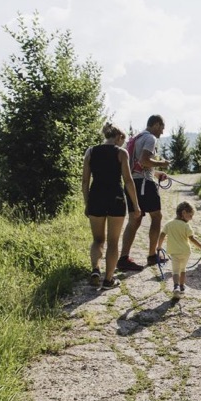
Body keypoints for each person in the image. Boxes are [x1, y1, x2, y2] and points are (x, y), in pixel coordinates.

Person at [81, 122, 142, 290]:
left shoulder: (91, 151)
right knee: (113, 242)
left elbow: (85, 181)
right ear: (118, 137)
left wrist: (87, 203)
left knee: (98, 240)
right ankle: (108, 280)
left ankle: (95, 269)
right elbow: (128, 181)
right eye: (123, 139)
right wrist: (136, 206)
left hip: (96, 197)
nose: (123, 142)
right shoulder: (121, 153)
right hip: (115, 198)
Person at [117, 115, 170, 271]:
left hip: (132, 183)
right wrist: (163, 163)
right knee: (157, 216)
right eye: (162, 126)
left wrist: (156, 173)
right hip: (145, 184)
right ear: (155, 125)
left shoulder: (135, 138)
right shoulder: (151, 138)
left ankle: (123, 258)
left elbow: (136, 165)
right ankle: (152, 255)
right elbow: (144, 161)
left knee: (134, 219)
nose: (162, 130)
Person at [156, 201, 201, 299]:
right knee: (183, 270)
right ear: (184, 213)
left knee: (175, 271)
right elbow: (192, 239)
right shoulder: (186, 226)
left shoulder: (169, 224)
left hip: (174, 252)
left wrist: (159, 246)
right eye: (190, 215)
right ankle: (182, 287)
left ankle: (176, 286)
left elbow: (162, 235)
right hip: (186, 252)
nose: (191, 218)